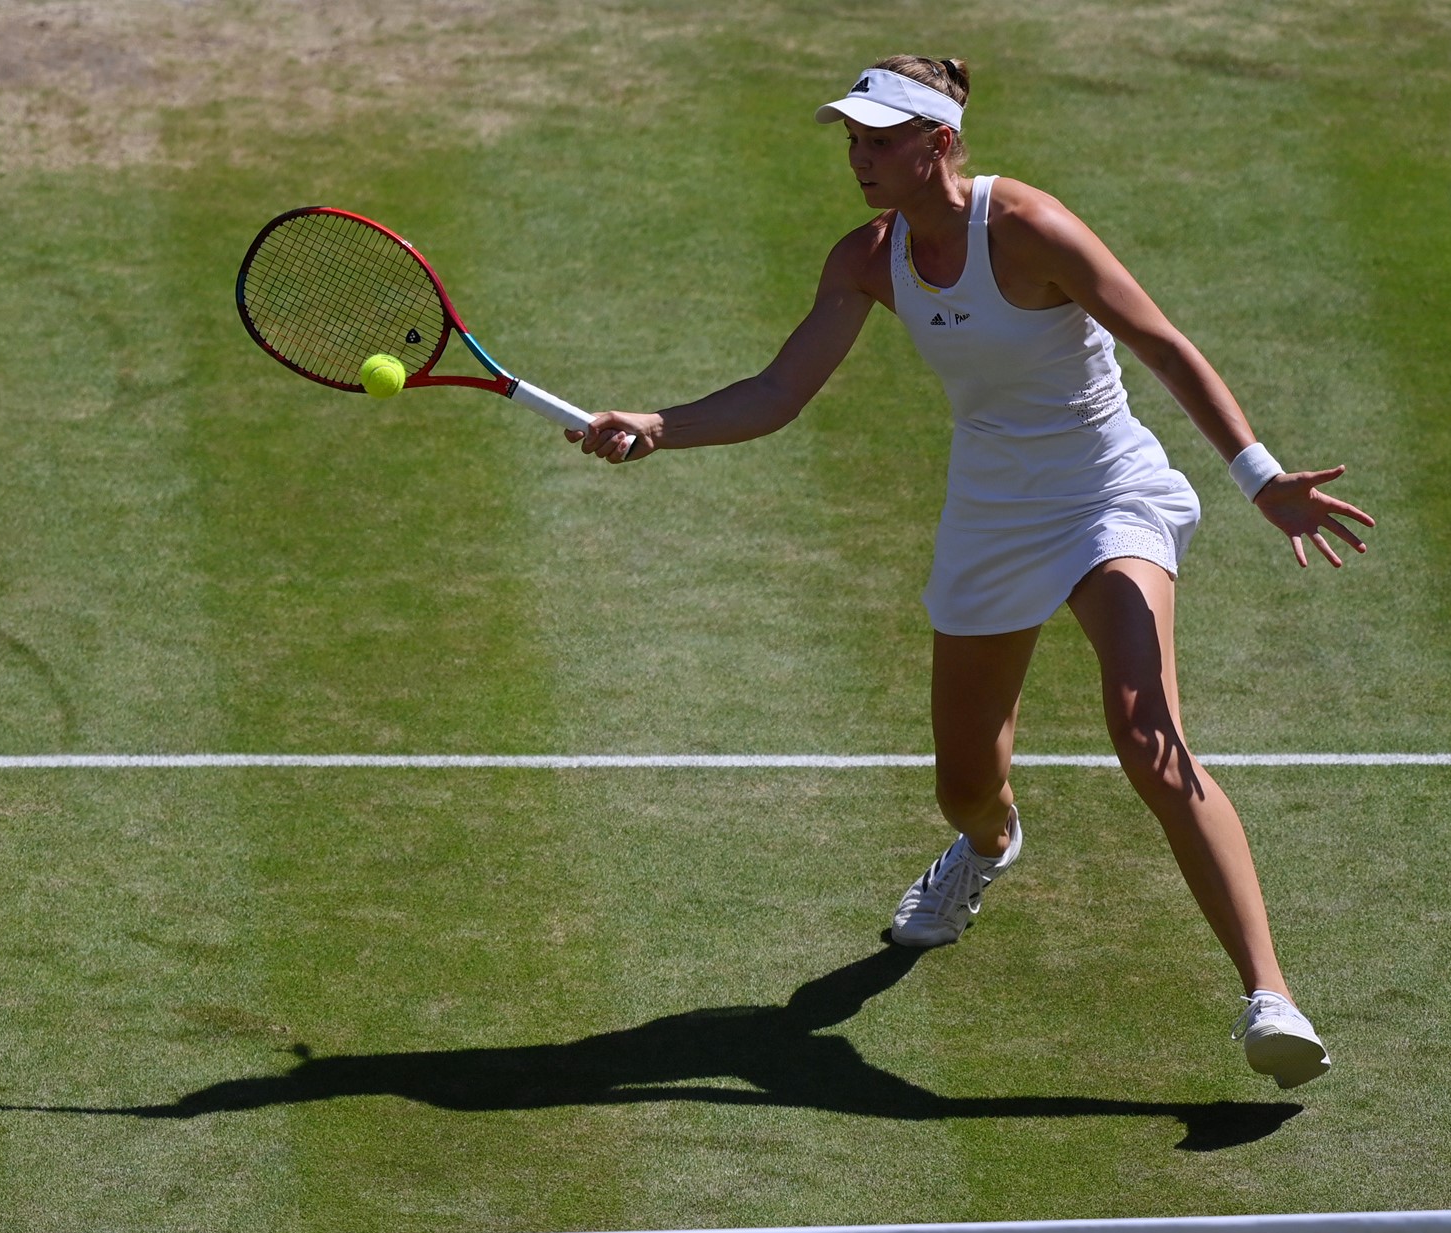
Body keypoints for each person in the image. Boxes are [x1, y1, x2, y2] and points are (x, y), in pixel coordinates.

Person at [568, 56, 1372, 1089]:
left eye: (876, 140)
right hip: (992, 515)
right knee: (963, 785)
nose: (856, 158)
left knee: (1144, 727)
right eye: (851, 139)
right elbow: (778, 391)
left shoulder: (1031, 227)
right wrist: (656, 428)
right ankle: (987, 848)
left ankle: (1270, 998)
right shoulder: (866, 258)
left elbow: (1158, 341)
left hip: (1105, 495)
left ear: (935, 144)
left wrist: (1258, 476)